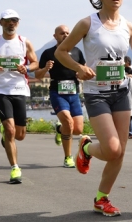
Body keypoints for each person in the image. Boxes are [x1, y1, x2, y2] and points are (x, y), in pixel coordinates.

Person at [55, 0, 132, 217]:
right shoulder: (87, 24)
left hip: (120, 92)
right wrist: (79, 68)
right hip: (96, 94)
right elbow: (61, 52)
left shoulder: (129, 26)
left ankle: (102, 199)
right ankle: (87, 148)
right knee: (111, 149)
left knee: (120, 151)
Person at [0, 9, 39, 184]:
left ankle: (5, 135)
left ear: (18, 23)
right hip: (0, 90)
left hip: (19, 89)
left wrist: (26, 68)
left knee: (20, 135)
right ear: (1, 23)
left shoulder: (24, 43)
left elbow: (35, 63)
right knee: (11, 130)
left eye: (14, 20)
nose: (11, 23)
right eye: (7, 21)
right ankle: (15, 168)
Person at [36, 25, 86, 168]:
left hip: (74, 93)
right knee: (68, 123)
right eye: (62, 33)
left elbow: (84, 70)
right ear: (55, 36)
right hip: (57, 93)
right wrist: (45, 69)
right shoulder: (48, 53)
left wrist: (81, 74)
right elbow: (37, 76)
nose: (65, 35)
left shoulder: (77, 52)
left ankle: (59, 129)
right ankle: (68, 158)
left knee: (77, 130)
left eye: (68, 33)